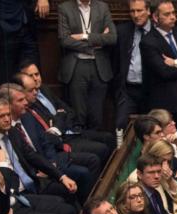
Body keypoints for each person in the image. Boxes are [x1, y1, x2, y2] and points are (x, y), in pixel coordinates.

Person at [57, 0, 117, 131]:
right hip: (76, 66)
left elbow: (112, 37)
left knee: (97, 116)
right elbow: (64, 40)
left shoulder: (102, 7)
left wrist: (84, 36)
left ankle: (96, 148)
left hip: (99, 67)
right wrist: (95, 43)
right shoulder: (64, 8)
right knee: (79, 116)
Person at [140, 1, 177, 131]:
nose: (173, 17)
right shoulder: (148, 42)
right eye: (167, 14)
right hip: (167, 104)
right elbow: (164, 72)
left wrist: (176, 63)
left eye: (173, 13)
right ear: (155, 17)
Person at [113, 0, 153, 132]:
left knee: (151, 128)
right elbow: (114, 61)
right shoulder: (122, 31)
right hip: (128, 90)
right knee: (121, 126)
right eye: (132, 11)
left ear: (148, 11)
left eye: (139, 10)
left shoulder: (158, 32)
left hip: (151, 90)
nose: (136, 15)